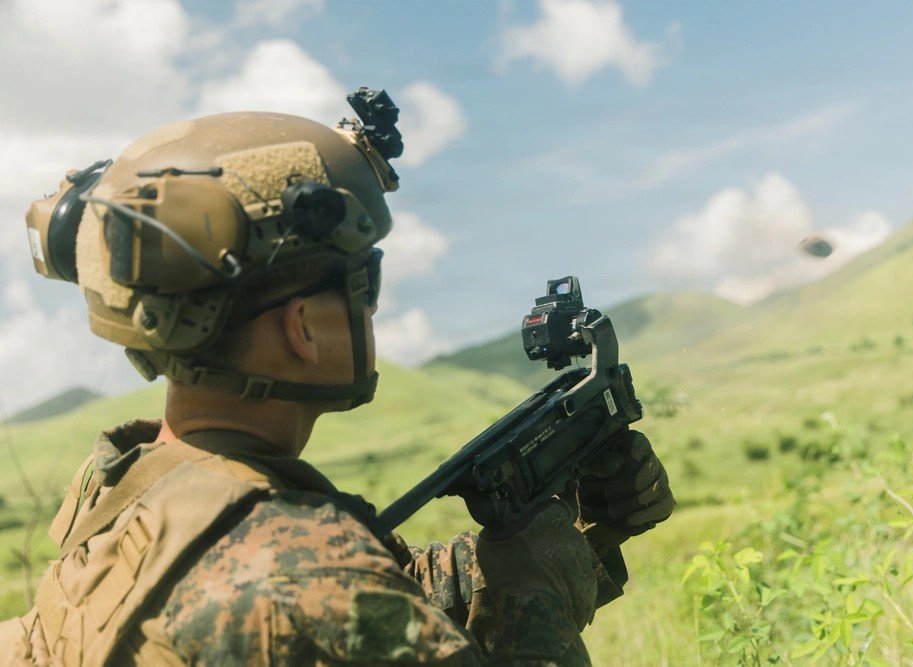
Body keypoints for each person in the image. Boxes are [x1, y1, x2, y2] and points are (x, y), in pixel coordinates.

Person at [1, 91, 674, 665]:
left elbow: (370, 593)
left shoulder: (123, 487)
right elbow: (326, 593)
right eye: (361, 284)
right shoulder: (311, 574)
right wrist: (545, 591)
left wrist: (564, 536)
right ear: (302, 325)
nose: (372, 310)